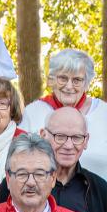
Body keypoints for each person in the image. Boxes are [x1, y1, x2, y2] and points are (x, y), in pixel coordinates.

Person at [20, 49, 107, 177]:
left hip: (98, 194)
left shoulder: (103, 112)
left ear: (86, 83)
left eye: (77, 80)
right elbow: (18, 158)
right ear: (52, 80)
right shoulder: (33, 112)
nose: (69, 86)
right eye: (63, 78)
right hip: (44, 195)